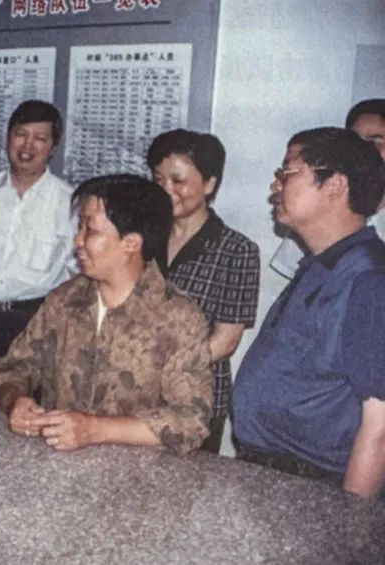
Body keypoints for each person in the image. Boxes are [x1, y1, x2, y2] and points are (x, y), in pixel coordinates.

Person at [0, 174, 213, 455]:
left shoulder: (178, 318)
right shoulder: (65, 300)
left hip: (138, 473)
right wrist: (15, 402)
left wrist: (95, 430)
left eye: (90, 230)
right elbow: (11, 369)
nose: (77, 240)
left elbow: (191, 420)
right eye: (80, 227)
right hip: (56, 463)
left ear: (131, 243)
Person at [233, 127, 385, 498]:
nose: (275, 186)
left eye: (287, 173)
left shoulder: (369, 280)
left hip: (314, 489)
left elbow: (380, 429)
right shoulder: (323, 263)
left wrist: (348, 522)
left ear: (334, 185)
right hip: (272, 478)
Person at [146, 129, 260, 453]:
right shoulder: (145, 237)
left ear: (209, 184)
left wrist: (164, 370)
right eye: (159, 179)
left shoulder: (237, 250)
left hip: (198, 396)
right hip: (138, 391)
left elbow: (226, 340)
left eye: (178, 181)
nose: (166, 190)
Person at [0, 100, 77, 386]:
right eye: (21, 134)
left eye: (40, 138)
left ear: (53, 148)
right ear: (8, 138)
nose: (28, 146)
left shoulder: (68, 202)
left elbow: (76, 273)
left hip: (36, 320)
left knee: (31, 403)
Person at [270, 98, 385, 278]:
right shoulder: (315, 215)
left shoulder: (371, 271)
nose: (359, 152)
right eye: (352, 142)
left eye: (374, 143)